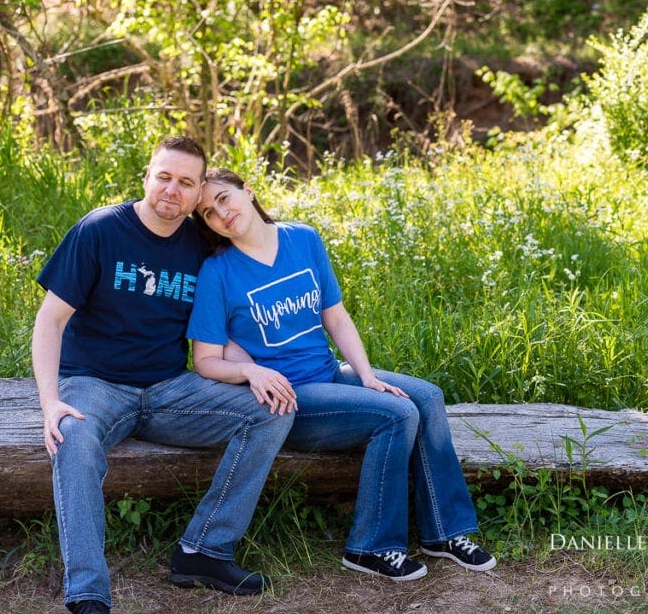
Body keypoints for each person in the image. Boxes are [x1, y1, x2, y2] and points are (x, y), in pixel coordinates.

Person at [186, 168, 495, 582]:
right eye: (208, 212)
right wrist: (249, 370)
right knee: (396, 415)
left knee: (426, 396)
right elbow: (204, 359)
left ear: (248, 190)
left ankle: (444, 532)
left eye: (224, 198)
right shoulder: (218, 272)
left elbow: (335, 316)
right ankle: (371, 546)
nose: (220, 213)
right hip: (290, 400)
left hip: (331, 374)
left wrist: (366, 376)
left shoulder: (303, 239)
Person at [32, 138, 296, 614]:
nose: (172, 190)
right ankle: (90, 597)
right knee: (71, 437)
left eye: (186, 183)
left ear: (198, 195)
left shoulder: (202, 243)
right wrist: (50, 401)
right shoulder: (100, 230)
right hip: (95, 384)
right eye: (164, 177)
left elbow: (256, 253)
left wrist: (252, 367)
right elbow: (50, 321)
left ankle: (204, 551)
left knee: (270, 411)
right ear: (147, 177)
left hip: (170, 389)